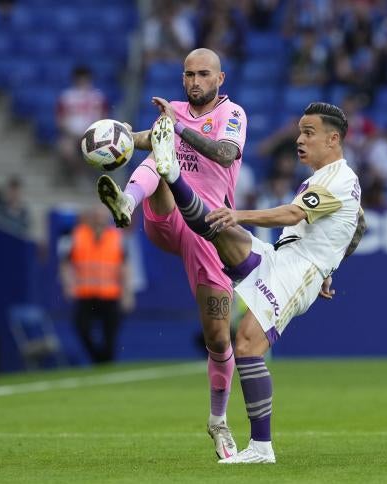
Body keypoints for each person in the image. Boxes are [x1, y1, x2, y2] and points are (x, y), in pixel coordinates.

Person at [150, 102, 365, 464]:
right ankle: (171, 174)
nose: (299, 139)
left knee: (247, 343)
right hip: (282, 258)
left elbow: (295, 213)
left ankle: (261, 448)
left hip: (298, 269)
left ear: (333, 139)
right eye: (299, 131)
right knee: (218, 228)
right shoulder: (327, 177)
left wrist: (243, 213)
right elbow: (357, 225)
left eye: (308, 133)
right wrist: (333, 266)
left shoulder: (340, 177)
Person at [95, 48, 247, 460]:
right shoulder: (174, 111)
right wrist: (122, 134)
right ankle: (126, 202)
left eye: (203, 74)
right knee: (158, 153)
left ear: (220, 78)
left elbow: (224, 154)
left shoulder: (233, 115)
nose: (194, 82)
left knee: (218, 338)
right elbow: (153, 137)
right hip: (167, 218)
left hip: (207, 229)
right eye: (188, 75)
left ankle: (218, 421)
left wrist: (175, 127)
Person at [60, 207, 134, 364]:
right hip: (85, 294)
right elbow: (65, 263)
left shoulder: (116, 237)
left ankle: (106, 362)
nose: (98, 220)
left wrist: (127, 293)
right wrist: (68, 284)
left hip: (110, 294)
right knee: (81, 328)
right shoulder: (78, 235)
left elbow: (125, 266)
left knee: (110, 335)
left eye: (101, 217)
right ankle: (97, 359)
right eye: (96, 216)